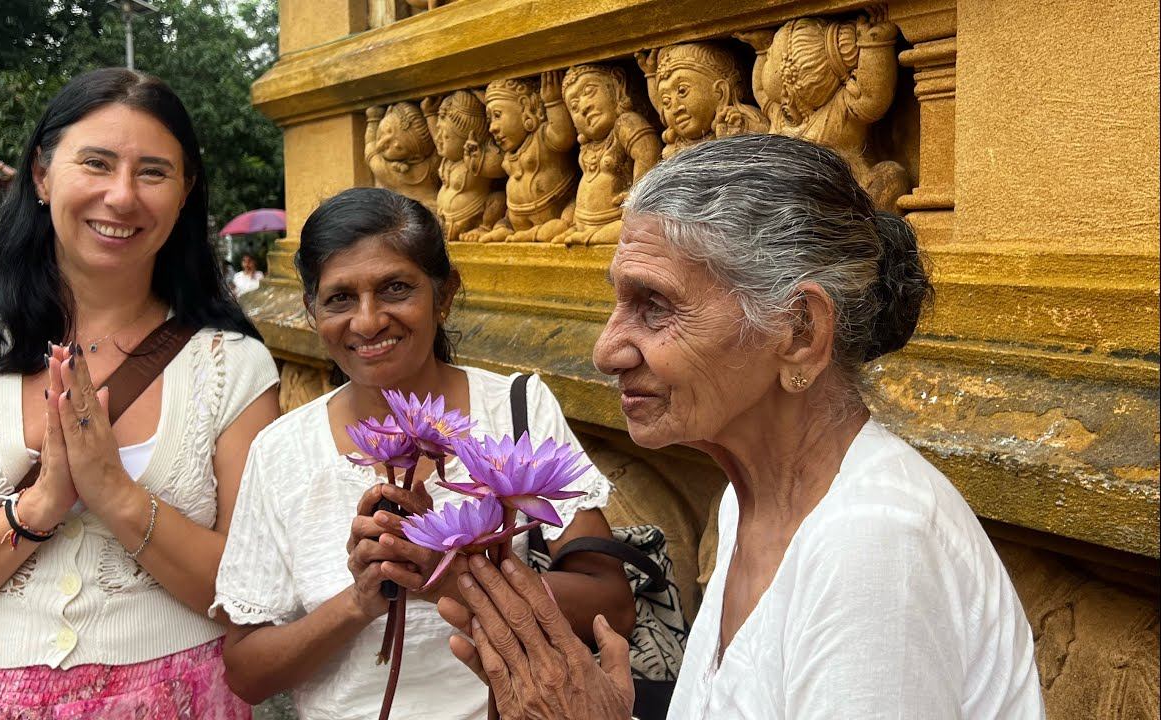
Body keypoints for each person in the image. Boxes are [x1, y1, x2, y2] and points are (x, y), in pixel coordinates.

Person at [435, 134, 1046, 719]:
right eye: (618, 303)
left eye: (655, 306)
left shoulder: (872, 541)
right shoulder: (746, 504)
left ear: (800, 332)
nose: (607, 349)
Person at [0, 68, 281, 718]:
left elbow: (254, 594)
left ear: (186, 192)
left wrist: (117, 496)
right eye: (96, 163)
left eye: (153, 172)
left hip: (186, 700)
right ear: (42, 175)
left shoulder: (232, 365)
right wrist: (39, 506)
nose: (121, 196)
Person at [212, 186, 635, 719]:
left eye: (395, 288)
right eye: (339, 298)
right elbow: (248, 672)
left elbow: (611, 605)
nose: (367, 322)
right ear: (310, 310)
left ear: (445, 294)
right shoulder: (282, 450)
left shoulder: (512, 409)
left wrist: (451, 575)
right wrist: (361, 599)